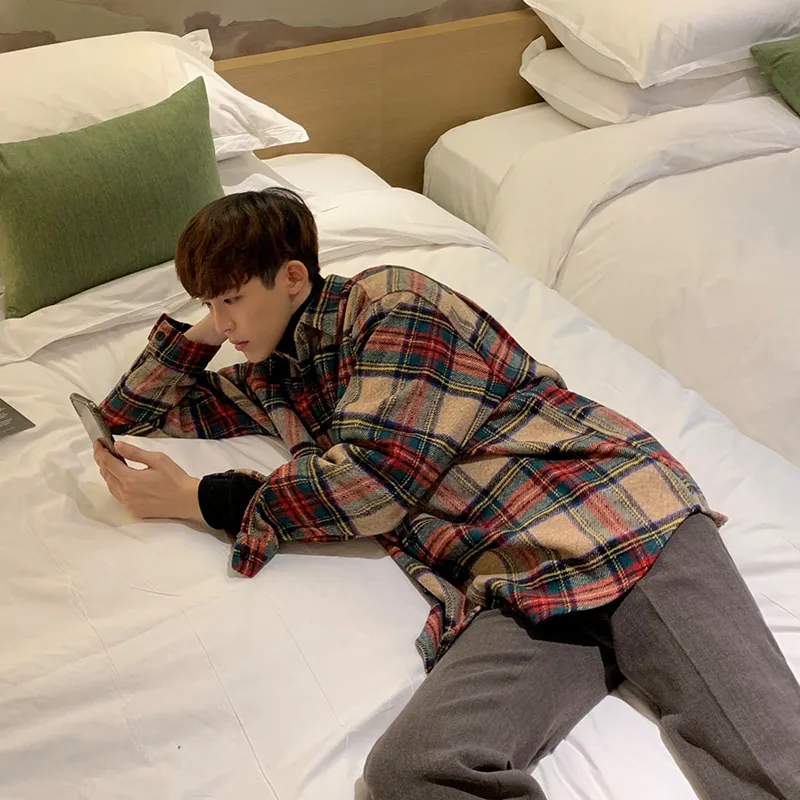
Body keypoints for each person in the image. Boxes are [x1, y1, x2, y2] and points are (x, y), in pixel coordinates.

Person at [95, 188, 800, 800]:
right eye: (210, 304)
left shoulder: (390, 304)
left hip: (608, 514)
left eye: (231, 299)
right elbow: (136, 410)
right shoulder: (271, 380)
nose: (223, 324)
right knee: (414, 773)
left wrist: (200, 499)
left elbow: (377, 483)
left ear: (293, 277)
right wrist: (216, 315)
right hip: (513, 576)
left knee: (773, 762)